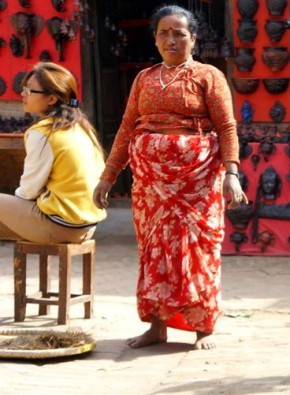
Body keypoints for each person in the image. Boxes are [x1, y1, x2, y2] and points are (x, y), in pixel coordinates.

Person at [93, 5, 247, 350]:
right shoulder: (144, 78)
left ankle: (202, 327)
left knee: (197, 250)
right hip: (150, 185)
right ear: (155, 38)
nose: (171, 39)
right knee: (155, 251)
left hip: (197, 182)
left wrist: (231, 173)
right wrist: (107, 176)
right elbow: (126, 127)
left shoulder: (208, 76)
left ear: (193, 38)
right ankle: (156, 326)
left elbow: (226, 126)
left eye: (179, 33)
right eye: (164, 32)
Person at [0, 62, 106, 244]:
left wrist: (14, 207)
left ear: (51, 99)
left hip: (60, 226)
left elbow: (28, 191)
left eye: (29, 90)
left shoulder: (43, 133)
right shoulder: (82, 128)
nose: (23, 94)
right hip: (86, 227)